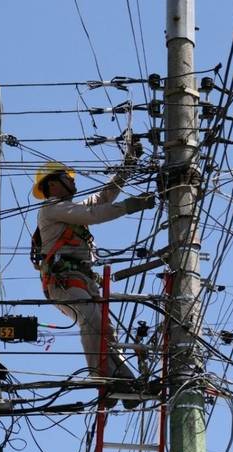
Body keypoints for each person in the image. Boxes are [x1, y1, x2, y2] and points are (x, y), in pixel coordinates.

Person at [31, 155, 155, 408]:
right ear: (53, 185)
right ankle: (103, 380)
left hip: (82, 281)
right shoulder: (52, 208)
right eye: (67, 178)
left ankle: (127, 385)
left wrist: (126, 170)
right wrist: (132, 205)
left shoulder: (67, 209)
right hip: (65, 282)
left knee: (106, 331)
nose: (72, 182)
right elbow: (94, 213)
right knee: (91, 321)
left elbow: (102, 199)